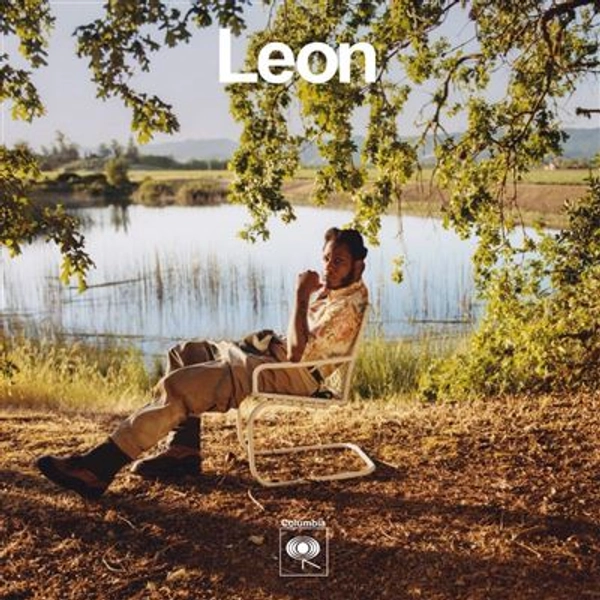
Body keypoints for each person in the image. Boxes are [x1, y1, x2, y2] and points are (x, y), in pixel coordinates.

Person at [36, 227, 369, 499]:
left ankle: (97, 468)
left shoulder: (347, 306)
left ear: (357, 266)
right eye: (326, 258)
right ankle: (183, 452)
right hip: (273, 359)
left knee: (178, 386)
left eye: (339, 261)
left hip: (290, 374)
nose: (329, 267)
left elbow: (296, 356)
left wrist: (300, 295)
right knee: (186, 353)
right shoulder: (337, 292)